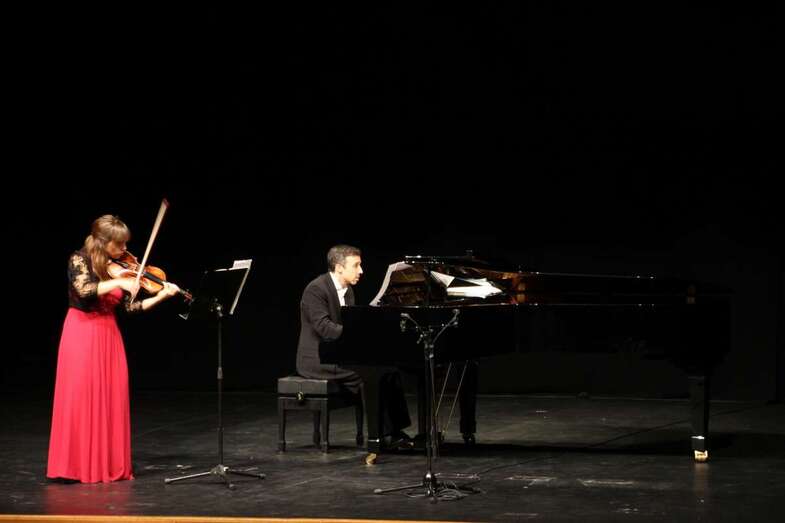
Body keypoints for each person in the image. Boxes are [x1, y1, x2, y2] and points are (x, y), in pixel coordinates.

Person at [46, 214, 180, 483]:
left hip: (109, 336)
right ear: (102, 242)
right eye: (119, 245)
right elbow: (84, 290)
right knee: (82, 398)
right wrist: (118, 281)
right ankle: (78, 466)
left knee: (111, 397)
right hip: (82, 334)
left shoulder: (118, 265)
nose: (124, 251)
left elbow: (130, 307)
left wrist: (162, 295)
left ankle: (107, 464)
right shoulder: (79, 259)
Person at [296, 244, 412, 446]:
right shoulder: (316, 289)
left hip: (337, 354)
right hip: (316, 359)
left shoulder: (348, 291)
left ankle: (396, 430)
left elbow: (347, 326)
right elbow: (324, 328)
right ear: (339, 267)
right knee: (367, 375)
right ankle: (380, 435)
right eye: (356, 265)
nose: (361, 270)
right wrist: (358, 335)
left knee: (389, 369)